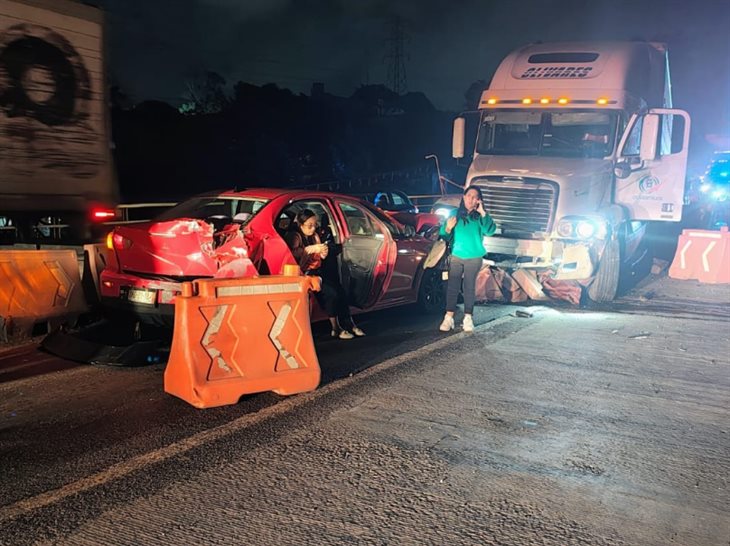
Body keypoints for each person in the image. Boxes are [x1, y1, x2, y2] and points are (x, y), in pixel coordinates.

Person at [285, 209, 365, 340]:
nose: (312, 228)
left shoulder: (315, 236)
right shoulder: (295, 236)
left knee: (340, 289)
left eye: (314, 225)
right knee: (330, 293)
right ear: (300, 225)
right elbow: (292, 253)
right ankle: (336, 327)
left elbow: (320, 257)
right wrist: (309, 250)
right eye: (309, 226)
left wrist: (323, 252)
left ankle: (349, 323)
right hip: (304, 274)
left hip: (317, 272)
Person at [438, 187, 497, 333]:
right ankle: (448, 317)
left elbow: (490, 230)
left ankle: (468, 318)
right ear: (463, 197)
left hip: (474, 257)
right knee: (452, 286)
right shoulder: (454, 214)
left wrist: (483, 212)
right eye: (469, 195)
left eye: (475, 197)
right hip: (456, 256)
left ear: (478, 200)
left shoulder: (479, 217)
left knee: (469, 287)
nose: (471, 199)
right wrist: (448, 229)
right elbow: (443, 236)